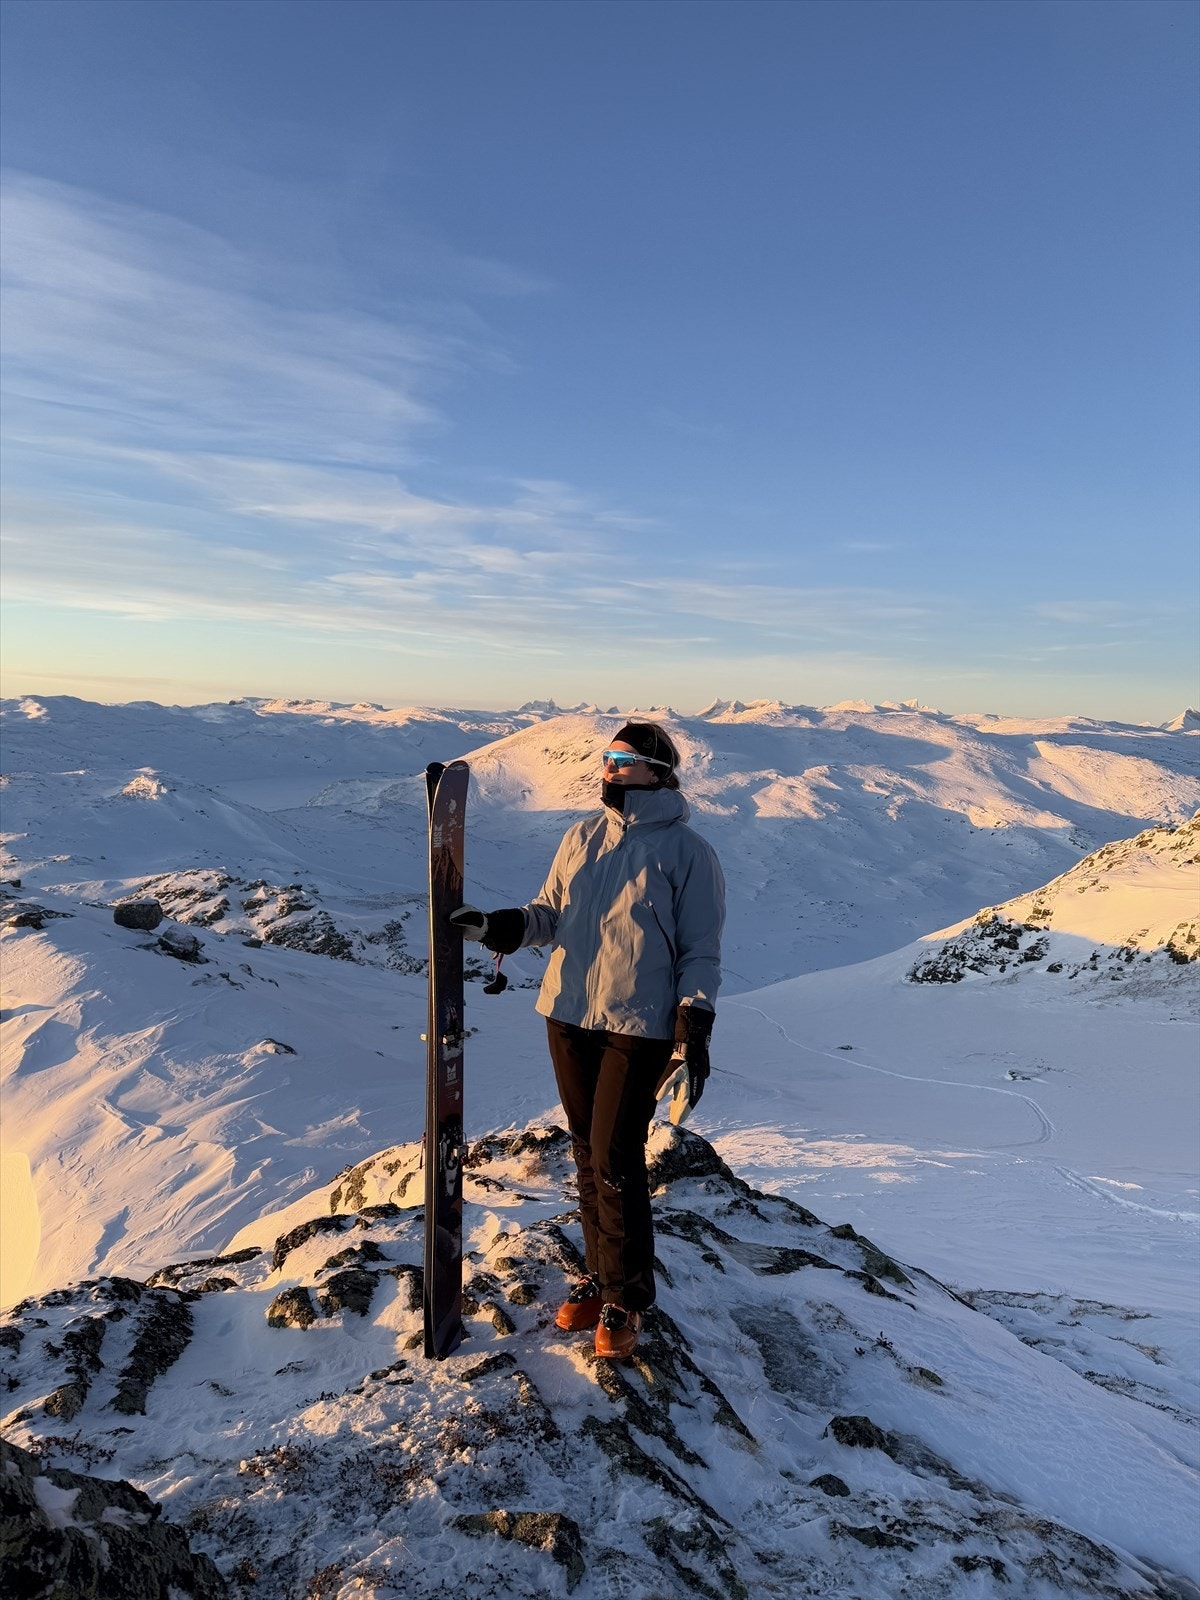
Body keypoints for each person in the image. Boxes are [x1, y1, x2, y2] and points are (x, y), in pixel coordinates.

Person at [451, 721, 725, 1359]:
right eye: (605, 757)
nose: (608, 767)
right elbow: (550, 913)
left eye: (622, 759)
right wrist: (497, 927)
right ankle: (600, 1279)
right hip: (568, 1013)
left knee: (616, 1159)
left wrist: (692, 1029)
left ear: (658, 769)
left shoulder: (688, 853)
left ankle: (628, 1298)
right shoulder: (580, 837)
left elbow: (701, 950)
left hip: (639, 1024)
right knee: (584, 1152)